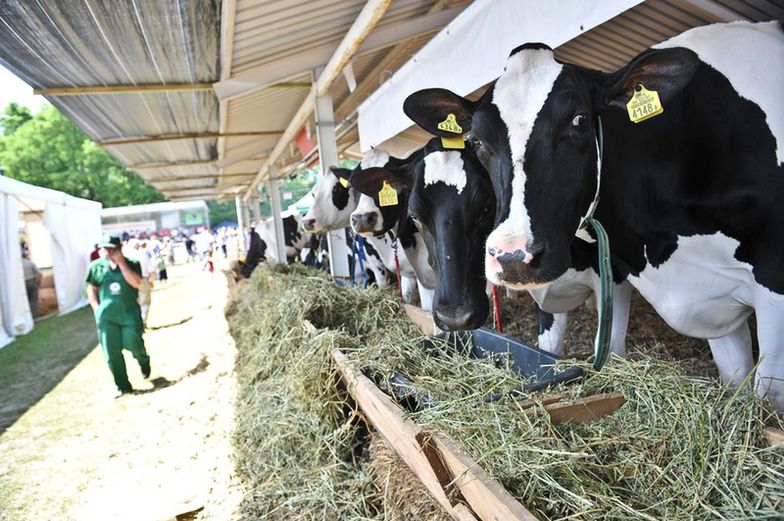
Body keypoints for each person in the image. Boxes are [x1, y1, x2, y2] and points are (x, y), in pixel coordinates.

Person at [86, 235, 151, 398]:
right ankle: (123, 386)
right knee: (112, 353)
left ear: (119, 247)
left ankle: (143, 361)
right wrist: (96, 308)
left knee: (134, 344)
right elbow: (91, 288)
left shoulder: (132, 263)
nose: (108, 252)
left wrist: (122, 264)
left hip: (129, 314)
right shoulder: (96, 266)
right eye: (105, 248)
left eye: (111, 248)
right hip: (107, 317)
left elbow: (137, 283)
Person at [21, 251, 42, 318]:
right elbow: (40, 273)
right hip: (32, 281)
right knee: (34, 300)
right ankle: (36, 316)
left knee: (25, 301)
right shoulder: (30, 263)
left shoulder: (17, 265)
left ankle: (27, 317)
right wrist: (38, 283)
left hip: (22, 284)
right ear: (26, 255)